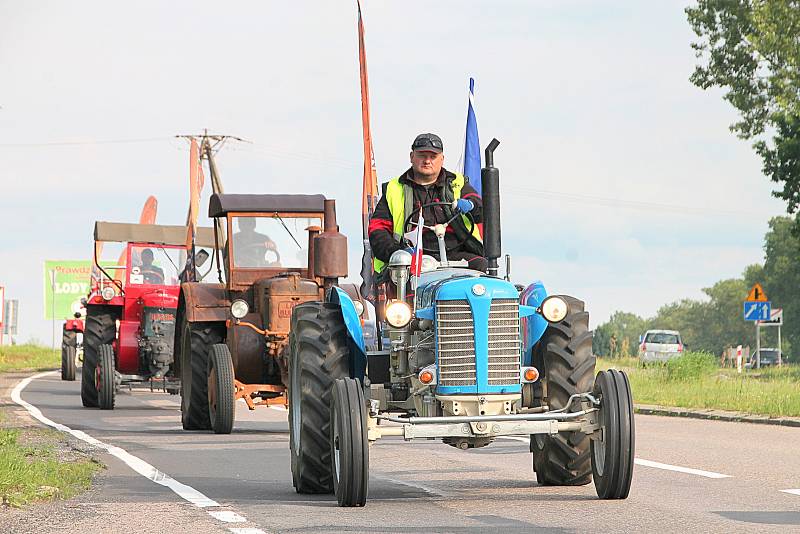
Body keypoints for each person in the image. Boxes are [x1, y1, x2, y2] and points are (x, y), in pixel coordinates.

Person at [368, 133, 486, 275]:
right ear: (412, 157)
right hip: (413, 258)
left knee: (480, 265)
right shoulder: (394, 189)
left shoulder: (458, 184)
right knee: (405, 277)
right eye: (422, 155)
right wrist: (398, 253)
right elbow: (377, 230)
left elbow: (480, 210)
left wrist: (471, 205)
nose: (427, 161)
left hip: (457, 253)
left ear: (442, 159)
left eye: (433, 156)